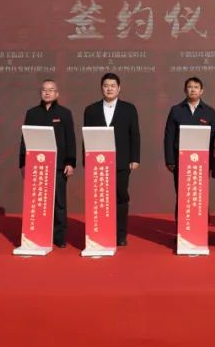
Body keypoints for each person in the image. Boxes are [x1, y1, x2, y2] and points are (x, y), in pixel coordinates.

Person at [82, 73, 140, 246]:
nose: (109, 89)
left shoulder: (129, 109)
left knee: (121, 197)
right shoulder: (91, 110)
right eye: (106, 85)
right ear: (101, 88)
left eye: (113, 85)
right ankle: (100, 231)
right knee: (99, 198)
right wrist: (86, 160)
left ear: (119, 88)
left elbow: (135, 135)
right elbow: (86, 137)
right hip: (97, 162)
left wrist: (135, 158)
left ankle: (120, 234)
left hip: (121, 161)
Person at [19, 79, 76, 248]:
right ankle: (38, 234)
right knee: (38, 202)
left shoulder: (64, 113)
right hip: (36, 167)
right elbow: (25, 139)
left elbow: (70, 139)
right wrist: (23, 163)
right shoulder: (32, 113)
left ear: (57, 93)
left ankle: (59, 237)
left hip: (59, 165)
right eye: (44, 90)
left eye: (51, 90)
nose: (47, 92)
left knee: (59, 203)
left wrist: (70, 162)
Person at [163, 77, 215, 195]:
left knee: (199, 194)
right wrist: (170, 160)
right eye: (190, 87)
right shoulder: (176, 110)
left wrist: (212, 162)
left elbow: (214, 138)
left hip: (203, 160)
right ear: (185, 90)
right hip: (180, 159)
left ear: (201, 91)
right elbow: (169, 136)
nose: (193, 90)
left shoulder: (209, 111)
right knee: (182, 193)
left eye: (196, 87)